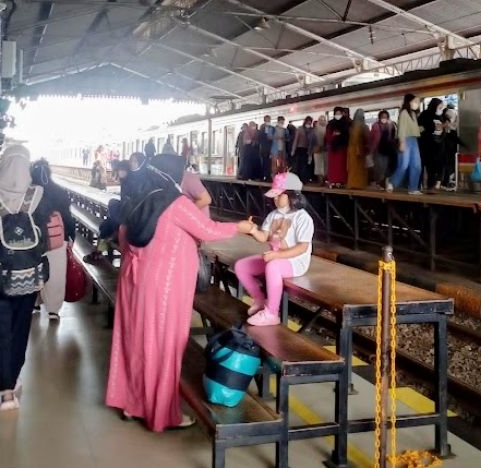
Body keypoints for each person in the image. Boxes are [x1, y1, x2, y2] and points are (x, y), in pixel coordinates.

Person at [105, 154, 253, 431]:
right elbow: (208, 229)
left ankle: (131, 402)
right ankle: (161, 413)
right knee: (164, 346)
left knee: (135, 340)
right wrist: (242, 227)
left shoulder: (138, 195)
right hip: (164, 289)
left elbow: (123, 236)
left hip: (134, 282)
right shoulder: (174, 203)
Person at [0, 145, 51, 411]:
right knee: (19, 329)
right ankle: (13, 378)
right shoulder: (37, 196)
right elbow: (43, 238)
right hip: (27, 277)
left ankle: (6, 395)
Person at [236, 172, 314, 326]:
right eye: (274, 196)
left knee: (272, 266)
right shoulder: (273, 215)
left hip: (295, 261)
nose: (275, 199)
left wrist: (276, 256)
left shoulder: (302, 218)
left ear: (291, 195)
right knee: (241, 266)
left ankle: (272, 312)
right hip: (274, 257)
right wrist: (252, 230)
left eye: (279, 195)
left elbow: (303, 248)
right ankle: (259, 299)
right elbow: (263, 237)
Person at [30, 159, 75, 320]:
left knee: (35, 270)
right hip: (57, 238)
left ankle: (35, 302)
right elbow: (68, 218)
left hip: (34, 239)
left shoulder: (29, 192)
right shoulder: (60, 192)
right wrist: (71, 237)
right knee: (56, 272)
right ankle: (53, 310)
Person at [390, 94, 422, 194]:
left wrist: (424, 128)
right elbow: (402, 128)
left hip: (414, 140)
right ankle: (392, 182)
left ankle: (413, 188)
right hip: (405, 140)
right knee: (404, 164)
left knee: (416, 165)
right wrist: (402, 142)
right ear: (409, 102)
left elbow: (414, 129)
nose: (417, 104)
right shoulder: (404, 113)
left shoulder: (413, 114)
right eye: (415, 102)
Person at [418, 98, 445, 193]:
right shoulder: (425, 114)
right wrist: (433, 127)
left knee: (434, 166)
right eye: (440, 107)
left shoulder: (440, 117)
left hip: (438, 145)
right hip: (427, 145)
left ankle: (431, 186)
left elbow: (441, 130)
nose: (441, 109)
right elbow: (421, 128)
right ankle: (420, 186)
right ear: (434, 106)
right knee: (427, 166)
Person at [370, 110, 398, 190]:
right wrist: (371, 150)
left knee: (385, 167)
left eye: (385, 117)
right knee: (379, 167)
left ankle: (383, 183)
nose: (384, 118)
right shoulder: (375, 126)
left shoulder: (390, 125)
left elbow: (393, 137)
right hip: (377, 149)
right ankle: (378, 183)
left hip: (387, 149)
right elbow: (371, 138)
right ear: (379, 117)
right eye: (382, 117)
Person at [441, 105, 466, 190]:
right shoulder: (450, 125)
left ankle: (445, 182)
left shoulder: (445, 121)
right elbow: (454, 134)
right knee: (449, 164)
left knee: (447, 164)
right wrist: (465, 145)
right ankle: (446, 183)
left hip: (446, 146)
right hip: (450, 147)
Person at [325, 107, 350, 188]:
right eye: (337, 113)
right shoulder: (331, 124)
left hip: (342, 148)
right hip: (333, 148)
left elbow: (347, 135)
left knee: (342, 165)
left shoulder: (345, 123)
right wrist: (333, 135)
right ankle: (333, 181)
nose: (338, 115)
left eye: (340, 113)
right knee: (333, 166)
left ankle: (341, 181)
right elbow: (327, 137)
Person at [347, 108, 370, 189]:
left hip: (351, 150)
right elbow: (364, 138)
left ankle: (352, 184)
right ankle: (359, 184)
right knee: (359, 168)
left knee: (353, 168)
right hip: (359, 149)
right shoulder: (362, 126)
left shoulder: (352, 126)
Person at [291, 116, 314, 183]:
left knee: (307, 165)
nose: (308, 124)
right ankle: (300, 179)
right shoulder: (300, 129)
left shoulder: (311, 130)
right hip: (300, 149)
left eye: (310, 123)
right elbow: (296, 140)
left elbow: (312, 141)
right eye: (308, 122)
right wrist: (293, 150)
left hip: (308, 149)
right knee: (300, 164)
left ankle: (305, 178)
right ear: (305, 122)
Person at [258, 115, 274, 181]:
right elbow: (260, 137)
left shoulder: (271, 127)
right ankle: (263, 176)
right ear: (264, 120)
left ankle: (268, 176)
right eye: (267, 120)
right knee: (264, 162)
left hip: (269, 148)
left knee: (269, 163)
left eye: (269, 120)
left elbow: (272, 137)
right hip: (264, 148)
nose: (268, 121)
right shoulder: (262, 127)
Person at [312, 115, 327, 185]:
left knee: (325, 165)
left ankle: (324, 180)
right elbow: (312, 140)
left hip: (325, 150)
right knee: (318, 165)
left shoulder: (327, 129)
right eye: (321, 120)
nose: (322, 121)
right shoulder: (315, 129)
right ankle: (320, 180)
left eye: (324, 120)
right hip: (317, 149)